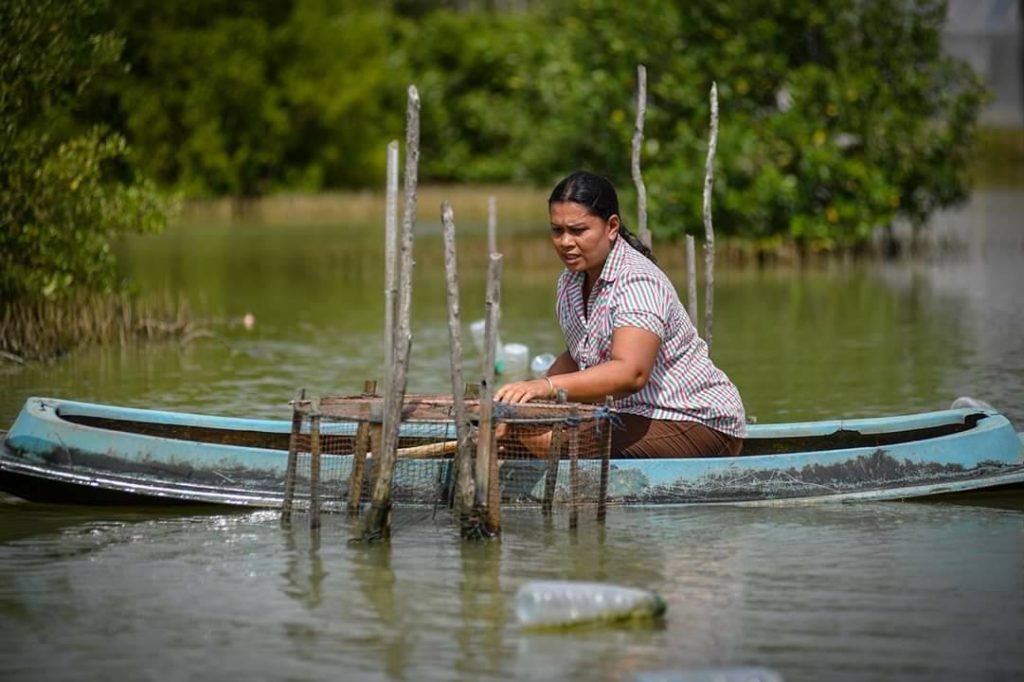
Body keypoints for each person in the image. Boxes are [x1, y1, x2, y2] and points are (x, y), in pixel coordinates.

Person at [493, 170, 746, 457]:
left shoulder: (638, 281)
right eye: (557, 230)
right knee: (509, 433)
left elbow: (631, 372)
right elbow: (578, 357)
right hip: (628, 416)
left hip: (694, 420)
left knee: (547, 443)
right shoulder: (570, 281)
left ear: (612, 226)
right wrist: (525, 398)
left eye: (578, 230)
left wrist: (546, 386)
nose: (565, 242)